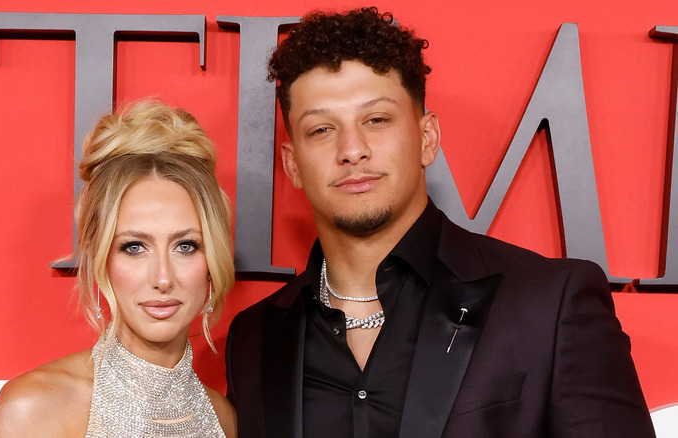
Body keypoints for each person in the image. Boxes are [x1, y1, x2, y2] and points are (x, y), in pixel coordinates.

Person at [225, 7, 655, 438]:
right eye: (321, 129)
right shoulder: (255, 337)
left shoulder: (549, 304)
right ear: (292, 163)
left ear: (427, 138)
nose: (352, 149)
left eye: (376, 120)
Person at [0, 100, 237, 437]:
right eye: (134, 247)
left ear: (212, 260)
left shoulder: (226, 420)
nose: (163, 278)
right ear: (100, 256)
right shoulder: (35, 408)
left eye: (185, 246)